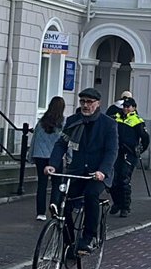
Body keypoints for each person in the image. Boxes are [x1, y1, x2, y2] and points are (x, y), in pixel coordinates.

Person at [45, 87, 116, 254]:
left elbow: (111, 151)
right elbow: (61, 144)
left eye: (89, 102)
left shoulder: (108, 124)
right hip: (76, 170)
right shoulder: (72, 121)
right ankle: (69, 242)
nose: (85, 105)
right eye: (83, 101)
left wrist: (102, 171)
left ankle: (88, 237)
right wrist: (52, 164)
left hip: (97, 173)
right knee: (65, 202)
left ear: (97, 104)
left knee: (91, 195)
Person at [30, 96, 66, 221]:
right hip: (55, 158)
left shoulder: (41, 122)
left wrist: (31, 156)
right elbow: (67, 142)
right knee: (57, 184)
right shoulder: (63, 123)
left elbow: (34, 140)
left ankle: (40, 213)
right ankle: (54, 207)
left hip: (40, 156)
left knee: (42, 184)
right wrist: (70, 157)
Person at [111, 97, 148, 216]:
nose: (126, 108)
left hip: (129, 153)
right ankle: (117, 202)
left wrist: (140, 149)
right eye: (124, 106)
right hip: (116, 152)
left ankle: (125, 207)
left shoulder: (137, 121)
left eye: (128, 106)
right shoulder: (115, 117)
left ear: (134, 108)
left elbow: (145, 138)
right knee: (112, 179)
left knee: (124, 179)